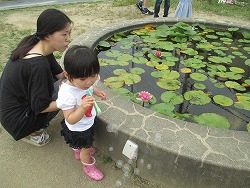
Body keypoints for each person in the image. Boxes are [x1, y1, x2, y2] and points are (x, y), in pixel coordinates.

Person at [0, 9, 72, 146]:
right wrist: (71, 100)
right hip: (17, 121)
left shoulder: (36, 44)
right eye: (64, 34)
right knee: (68, 94)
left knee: (67, 86)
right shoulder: (38, 65)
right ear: (48, 35)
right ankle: (33, 132)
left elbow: (61, 75)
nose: (68, 38)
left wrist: (80, 74)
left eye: (69, 33)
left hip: (8, 108)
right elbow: (41, 107)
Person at [56, 45, 107, 181]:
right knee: (86, 149)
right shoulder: (67, 94)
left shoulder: (83, 81)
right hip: (79, 129)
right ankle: (88, 166)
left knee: (81, 146)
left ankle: (77, 150)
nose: (89, 82)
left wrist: (96, 91)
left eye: (93, 76)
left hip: (86, 122)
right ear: (68, 75)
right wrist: (82, 108)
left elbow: (89, 87)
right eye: (83, 79)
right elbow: (70, 119)